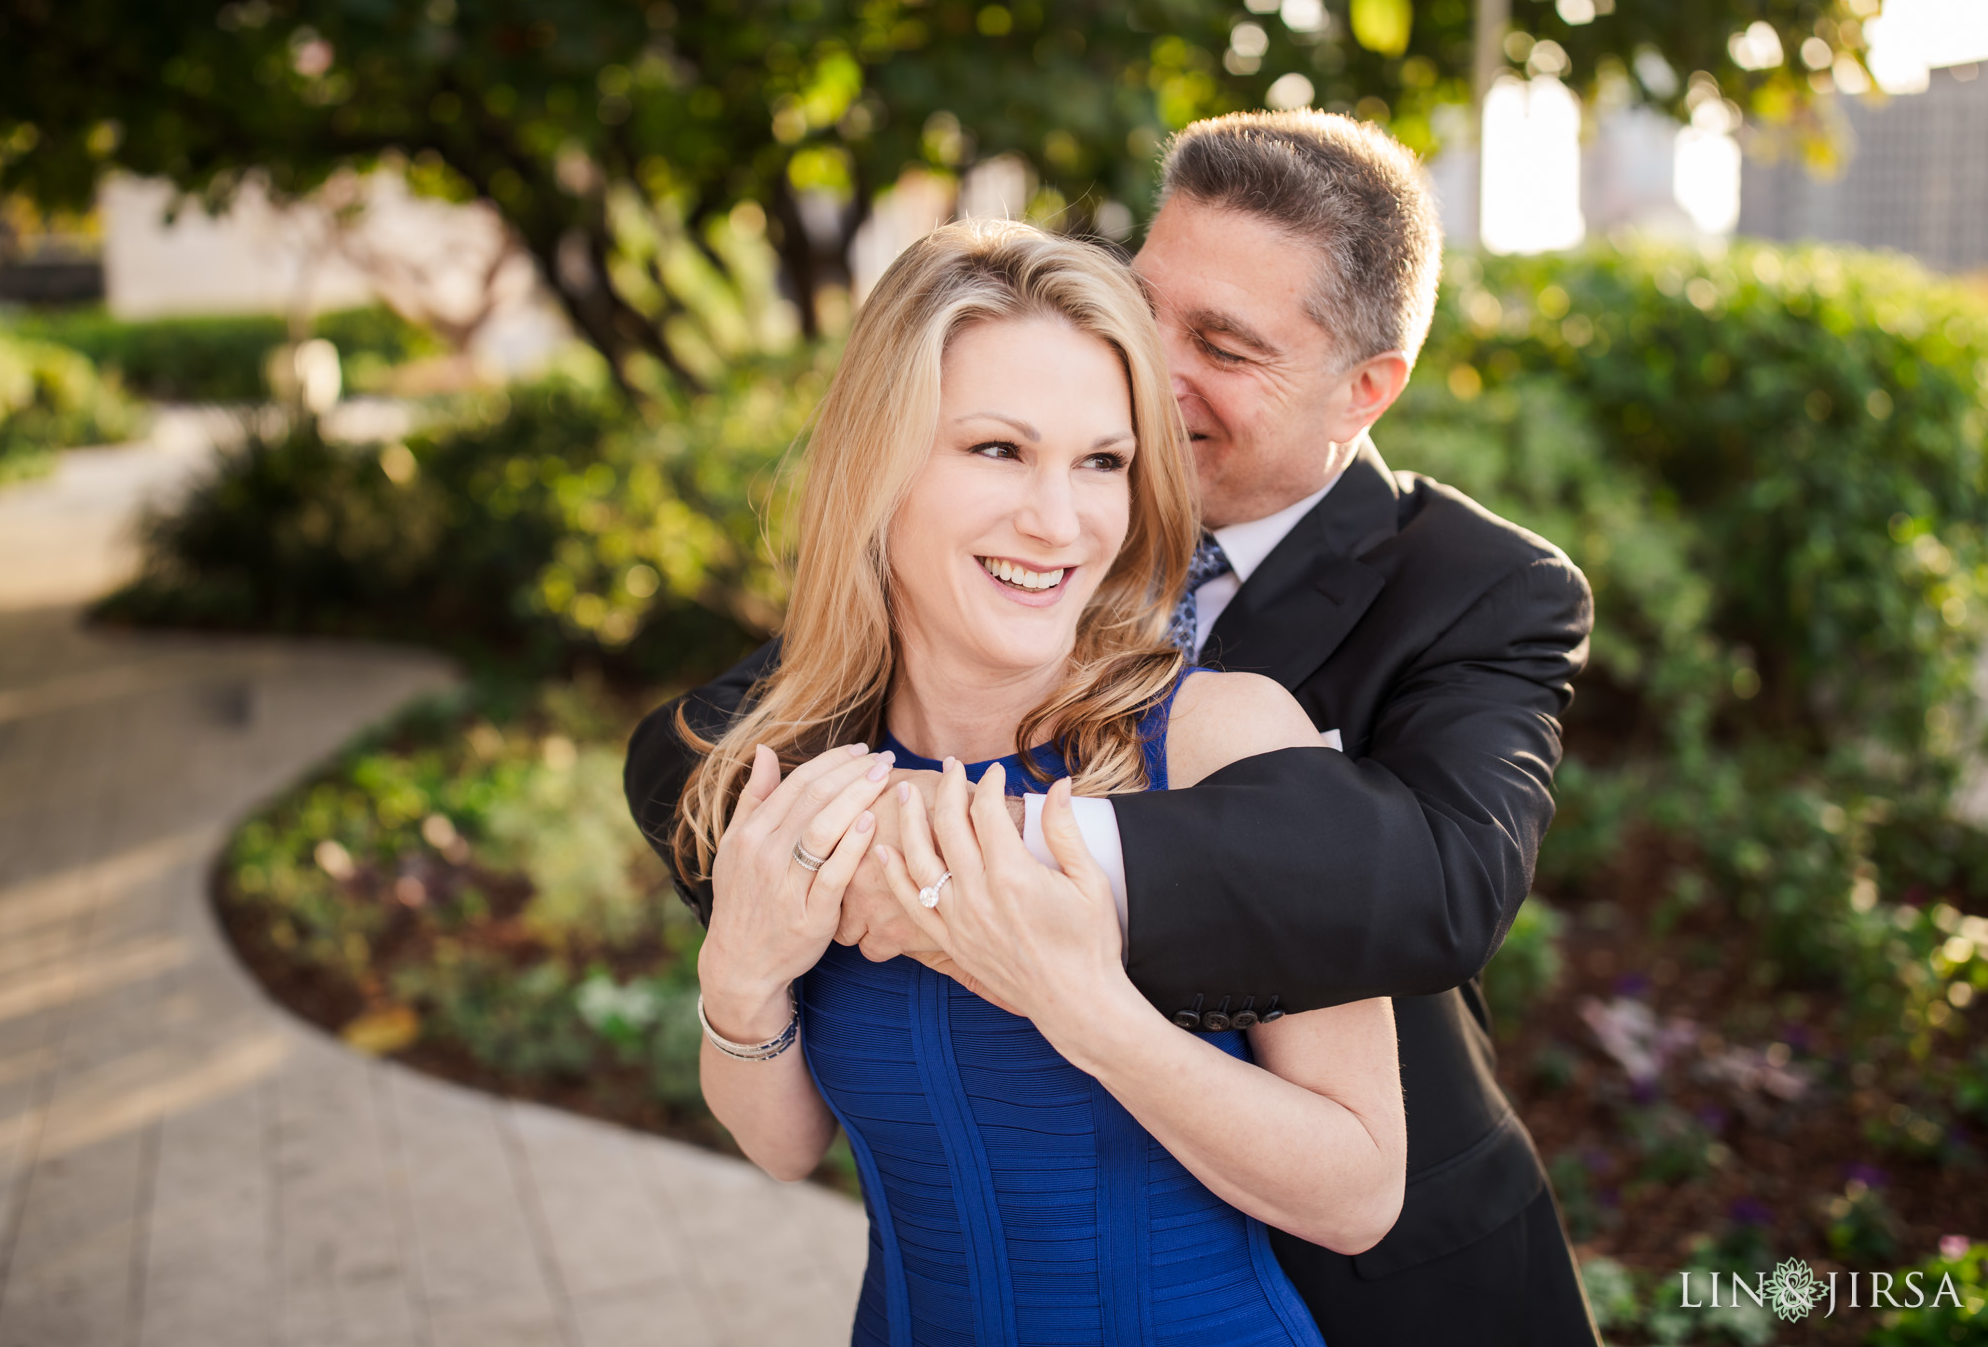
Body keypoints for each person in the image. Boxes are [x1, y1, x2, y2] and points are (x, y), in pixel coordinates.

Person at [630, 111, 1600, 1345]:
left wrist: (1007, 874)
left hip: (1375, 1293)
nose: (1153, 365)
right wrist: (756, 925)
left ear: (1363, 391)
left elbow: (1436, 882)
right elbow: (711, 742)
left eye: (1226, 345)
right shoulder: (909, 660)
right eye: (1151, 308)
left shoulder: (1468, 593)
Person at [669, 219, 1404, 1345]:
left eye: (1100, 463)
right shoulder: (805, 758)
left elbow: (1359, 1194)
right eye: (997, 451)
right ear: (880, 463)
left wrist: (1080, 1005)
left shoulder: (1227, 745)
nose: (1058, 523)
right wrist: (739, 980)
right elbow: (784, 1146)